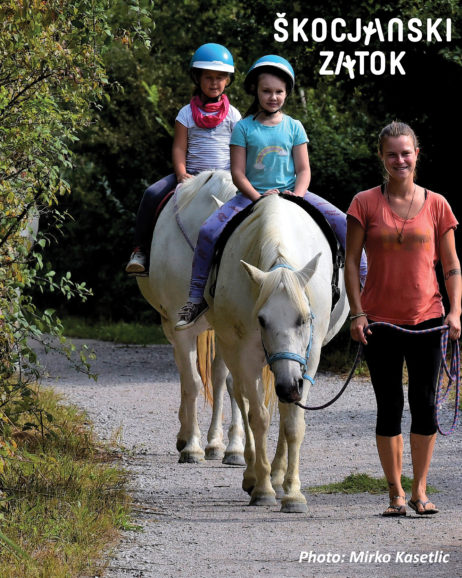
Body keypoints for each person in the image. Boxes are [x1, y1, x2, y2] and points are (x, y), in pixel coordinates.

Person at [175, 54, 367, 329]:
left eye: (279, 92)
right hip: (250, 196)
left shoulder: (294, 127)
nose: (273, 97)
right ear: (256, 91)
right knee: (207, 231)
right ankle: (195, 298)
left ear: (287, 92)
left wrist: (297, 196)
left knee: (345, 224)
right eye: (266, 91)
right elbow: (238, 173)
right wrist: (257, 198)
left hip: (292, 192)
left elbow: (303, 170)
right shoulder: (243, 127)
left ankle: (366, 289)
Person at [345, 121, 461, 517]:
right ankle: (395, 492)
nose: (400, 160)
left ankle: (420, 489)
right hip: (380, 322)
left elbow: (451, 266)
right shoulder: (363, 203)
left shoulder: (437, 204)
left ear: (417, 155)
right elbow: (349, 263)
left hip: (428, 319)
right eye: (392, 153)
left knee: (425, 405)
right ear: (381, 157)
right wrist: (356, 312)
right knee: (389, 405)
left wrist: (456, 310)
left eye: (406, 153)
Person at [125, 43, 241, 274]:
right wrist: (180, 173)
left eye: (220, 77)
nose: (214, 82)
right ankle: (141, 252)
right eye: (208, 77)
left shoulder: (233, 114)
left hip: (226, 177)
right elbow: (179, 148)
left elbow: (238, 150)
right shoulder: (186, 113)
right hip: (192, 175)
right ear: (197, 78)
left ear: (227, 80)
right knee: (152, 194)